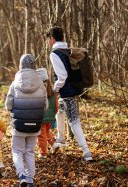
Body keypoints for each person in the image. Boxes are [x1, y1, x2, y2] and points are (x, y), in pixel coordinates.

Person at [46, 26, 93, 161]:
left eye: (49, 39)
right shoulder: (66, 50)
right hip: (71, 89)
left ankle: (86, 151)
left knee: (74, 122)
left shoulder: (55, 53)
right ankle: (61, 138)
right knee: (59, 111)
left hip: (66, 91)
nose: (48, 42)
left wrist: (55, 90)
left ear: (52, 38)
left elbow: (62, 76)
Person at [5, 54, 48, 187]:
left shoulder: (15, 83)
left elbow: (8, 104)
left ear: (20, 65)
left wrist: (15, 109)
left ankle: (22, 176)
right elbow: (45, 105)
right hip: (35, 123)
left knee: (17, 151)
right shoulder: (41, 83)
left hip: (19, 124)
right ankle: (30, 181)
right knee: (30, 152)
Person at [36, 68, 57, 159]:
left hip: (41, 118)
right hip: (51, 118)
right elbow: (56, 106)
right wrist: (53, 115)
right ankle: (53, 143)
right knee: (47, 131)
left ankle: (43, 153)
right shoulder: (52, 92)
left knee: (41, 136)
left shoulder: (38, 91)